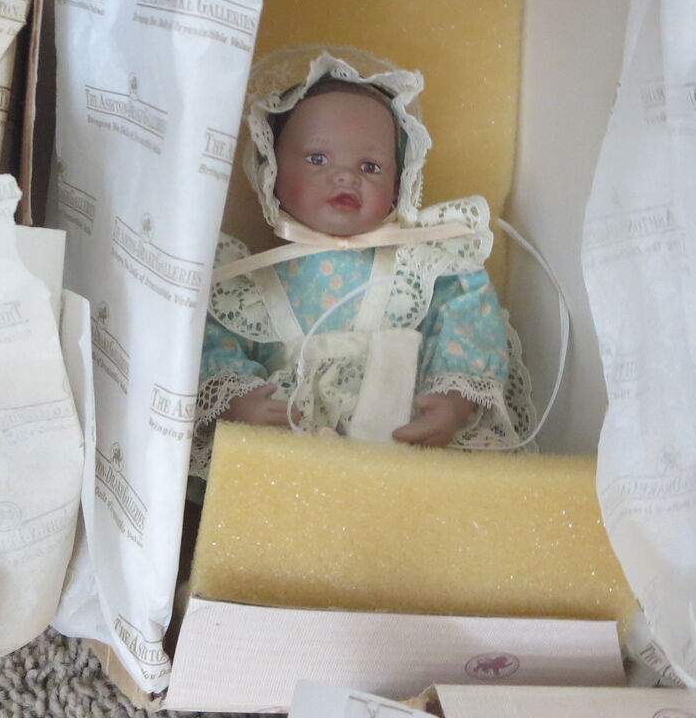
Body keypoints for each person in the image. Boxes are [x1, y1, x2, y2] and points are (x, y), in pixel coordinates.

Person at [192, 46, 534, 490]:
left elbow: (465, 320)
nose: (346, 177)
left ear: (399, 183)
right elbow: (213, 344)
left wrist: (452, 401)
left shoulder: (421, 267)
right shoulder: (245, 281)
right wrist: (239, 401)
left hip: (399, 449)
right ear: (271, 169)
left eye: (370, 166)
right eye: (317, 158)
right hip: (289, 466)